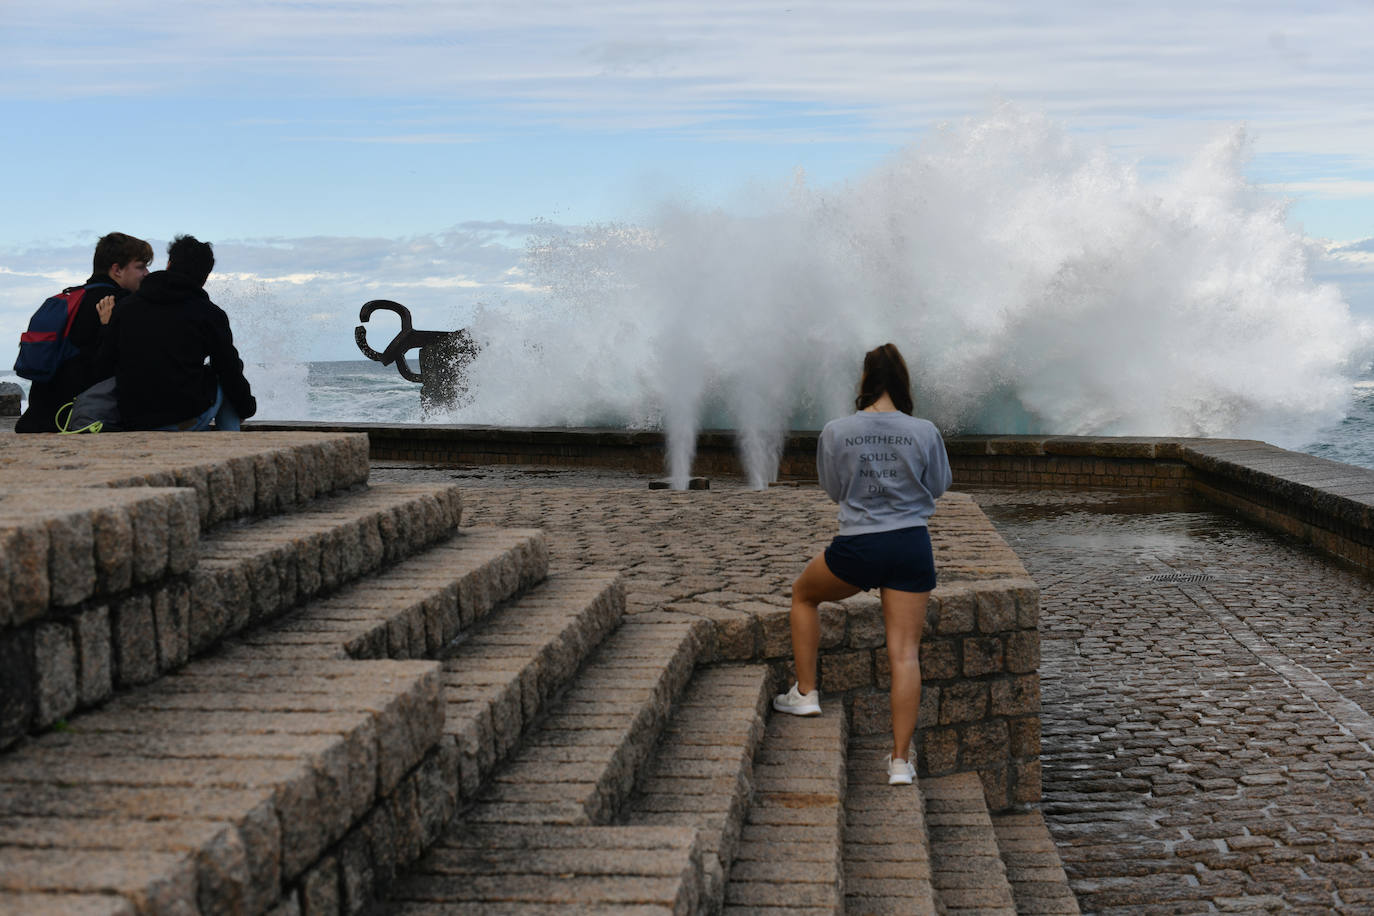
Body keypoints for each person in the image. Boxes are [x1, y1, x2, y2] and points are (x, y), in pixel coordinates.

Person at [773, 342, 952, 786]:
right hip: (911, 545)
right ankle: (898, 762)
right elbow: (939, 486)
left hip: (858, 547)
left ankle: (807, 692)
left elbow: (833, 489)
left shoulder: (837, 431)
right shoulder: (925, 430)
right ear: (903, 381)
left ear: (865, 380)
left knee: (803, 593)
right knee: (905, 654)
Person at [96, 234, 255, 430]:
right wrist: (246, 409)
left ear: (169, 264)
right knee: (224, 373)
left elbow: (105, 361)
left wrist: (105, 327)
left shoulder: (126, 306)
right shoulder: (210, 314)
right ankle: (232, 444)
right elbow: (228, 370)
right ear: (204, 278)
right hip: (183, 419)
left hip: (133, 419)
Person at [15, 232, 152, 432]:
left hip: (40, 416)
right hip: (80, 417)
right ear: (117, 270)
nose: (147, 273)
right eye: (140, 267)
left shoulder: (72, 298)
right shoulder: (121, 304)